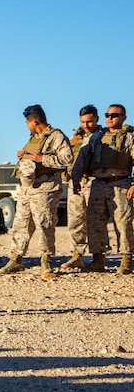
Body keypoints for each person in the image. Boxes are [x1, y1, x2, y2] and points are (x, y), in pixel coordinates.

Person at [0, 106, 72, 275]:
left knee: (44, 224)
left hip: (45, 188)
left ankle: (46, 260)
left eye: (27, 122)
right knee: (20, 224)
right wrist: (24, 155)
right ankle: (16, 259)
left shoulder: (56, 137)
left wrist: (42, 159)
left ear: (34, 121)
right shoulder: (34, 138)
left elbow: (67, 159)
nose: (26, 125)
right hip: (27, 189)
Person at [70, 104, 134, 274]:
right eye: (107, 115)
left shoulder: (129, 137)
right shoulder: (96, 138)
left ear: (123, 118)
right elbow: (81, 160)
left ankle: (126, 260)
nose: (110, 118)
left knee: (123, 222)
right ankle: (98, 259)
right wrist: (75, 180)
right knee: (94, 222)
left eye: (114, 115)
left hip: (120, 183)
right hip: (98, 183)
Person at [60, 105, 100, 271]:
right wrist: (70, 143)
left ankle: (99, 257)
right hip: (76, 183)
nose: (86, 125)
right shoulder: (76, 138)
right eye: (83, 122)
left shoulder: (102, 137)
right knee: (75, 220)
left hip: (94, 181)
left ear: (96, 119)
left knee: (95, 221)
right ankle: (77, 255)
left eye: (89, 121)